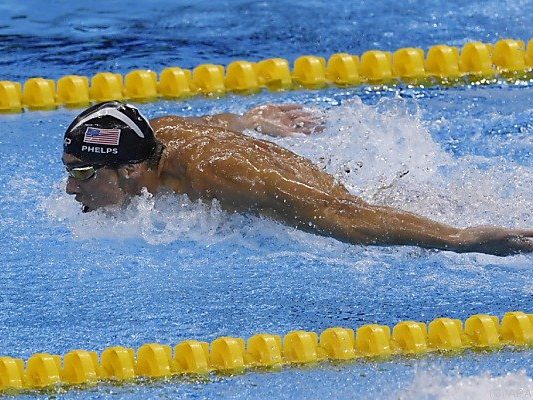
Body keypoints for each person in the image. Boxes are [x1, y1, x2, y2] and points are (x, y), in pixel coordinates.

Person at [62, 101, 533, 256]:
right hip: (310, 182)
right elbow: (211, 123)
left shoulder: (216, 176)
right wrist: (251, 118)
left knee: (405, 211)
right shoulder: (151, 137)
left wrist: (461, 238)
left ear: (129, 169)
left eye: (82, 173)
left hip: (337, 199)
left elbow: (346, 219)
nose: (69, 189)